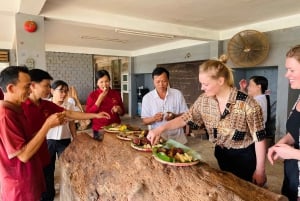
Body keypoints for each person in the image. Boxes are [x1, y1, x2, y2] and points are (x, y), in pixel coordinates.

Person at [147, 56, 267, 186]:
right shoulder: (204, 100)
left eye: (206, 84)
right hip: (221, 153)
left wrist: (260, 169)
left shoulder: (247, 103)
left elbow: (259, 137)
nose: (202, 87)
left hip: (244, 156)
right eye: (201, 83)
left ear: (221, 81)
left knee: (246, 190)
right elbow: (185, 118)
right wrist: (159, 129)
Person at [21, 69, 110, 201]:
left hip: (44, 151)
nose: (48, 89)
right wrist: (47, 125)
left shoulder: (46, 104)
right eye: (46, 86)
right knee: (34, 188)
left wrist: (95, 115)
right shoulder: (21, 107)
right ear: (33, 86)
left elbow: (70, 114)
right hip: (30, 159)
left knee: (49, 176)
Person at [0, 66, 65, 201]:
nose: (30, 90)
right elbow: (23, 155)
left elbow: (27, 139)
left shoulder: (16, 110)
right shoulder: (6, 116)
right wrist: (47, 125)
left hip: (31, 178)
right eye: (26, 87)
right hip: (20, 187)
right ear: (11, 88)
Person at [268, 44, 300, 201]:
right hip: (293, 175)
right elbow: (296, 133)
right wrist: (281, 143)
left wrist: (293, 153)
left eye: (292, 70)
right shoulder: (299, 98)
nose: (287, 75)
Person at [141, 67, 188, 144]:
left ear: (168, 80)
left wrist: (175, 116)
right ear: (153, 81)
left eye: (164, 81)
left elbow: (186, 115)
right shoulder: (147, 98)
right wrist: (154, 118)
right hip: (158, 139)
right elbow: (144, 121)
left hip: (178, 139)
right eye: (158, 82)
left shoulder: (177, 94)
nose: (161, 85)